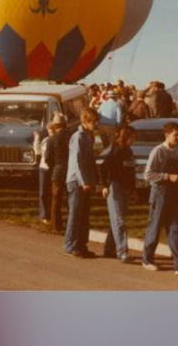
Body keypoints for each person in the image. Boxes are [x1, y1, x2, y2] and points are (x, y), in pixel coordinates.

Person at [142, 121, 178, 275]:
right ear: (167, 135)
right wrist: (167, 176)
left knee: (175, 228)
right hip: (160, 193)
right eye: (175, 135)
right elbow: (147, 174)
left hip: (174, 194)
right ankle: (147, 259)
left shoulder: (176, 152)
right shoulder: (158, 151)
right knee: (154, 227)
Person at [63, 108, 101, 258]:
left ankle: (81, 244)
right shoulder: (78, 137)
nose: (96, 124)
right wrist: (84, 181)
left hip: (87, 180)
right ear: (86, 121)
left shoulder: (89, 136)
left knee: (84, 215)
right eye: (93, 122)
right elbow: (77, 161)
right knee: (75, 214)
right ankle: (70, 244)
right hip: (76, 181)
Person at [100, 125, 136, 262]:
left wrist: (133, 190)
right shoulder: (115, 151)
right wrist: (104, 185)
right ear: (126, 137)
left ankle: (109, 248)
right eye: (132, 137)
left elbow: (130, 172)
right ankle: (122, 251)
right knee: (119, 220)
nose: (134, 140)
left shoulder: (129, 152)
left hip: (124, 187)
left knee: (116, 219)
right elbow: (104, 168)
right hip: (114, 187)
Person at [43, 113, 71, 232]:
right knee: (71, 199)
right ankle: (71, 224)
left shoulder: (52, 139)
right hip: (70, 169)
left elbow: (48, 158)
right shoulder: (71, 137)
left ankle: (56, 225)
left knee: (56, 199)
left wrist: (53, 166)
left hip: (57, 170)